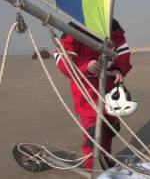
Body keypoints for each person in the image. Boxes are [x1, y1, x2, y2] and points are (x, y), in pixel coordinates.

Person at [53, 19, 132, 170]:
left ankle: (105, 160)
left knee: (109, 130)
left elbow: (122, 53)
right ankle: (92, 168)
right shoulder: (76, 26)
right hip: (87, 95)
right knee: (93, 134)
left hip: (109, 92)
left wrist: (118, 69)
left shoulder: (113, 27)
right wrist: (85, 64)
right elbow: (61, 55)